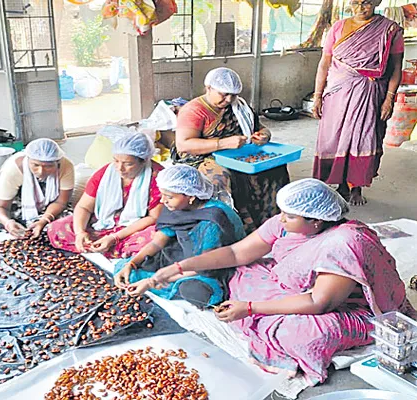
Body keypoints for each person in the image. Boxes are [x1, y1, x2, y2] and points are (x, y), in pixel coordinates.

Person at [144, 178, 414, 385]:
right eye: (283, 212)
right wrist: (179, 267)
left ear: (316, 222)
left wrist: (249, 308)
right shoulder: (287, 223)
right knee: (244, 269)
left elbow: (318, 302)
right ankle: (235, 297)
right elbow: (238, 252)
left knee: (303, 335)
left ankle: (252, 311)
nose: (281, 219)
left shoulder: (342, 244)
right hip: (298, 287)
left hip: (343, 306)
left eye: (290, 216)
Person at [171, 67, 290, 233]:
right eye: (223, 94)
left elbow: (260, 128)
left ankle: (271, 221)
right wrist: (223, 143)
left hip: (237, 152)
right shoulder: (194, 110)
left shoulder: (240, 107)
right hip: (203, 156)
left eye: (233, 95)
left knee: (274, 167)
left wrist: (264, 135)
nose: (228, 99)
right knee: (223, 176)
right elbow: (184, 145)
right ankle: (233, 228)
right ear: (209, 88)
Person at [114, 165, 246, 307]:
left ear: (190, 196)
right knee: (124, 269)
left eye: (169, 196)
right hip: (182, 255)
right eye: (163, 194)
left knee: (195, 292)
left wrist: (151, 282)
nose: (162, 201)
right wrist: (131, 263)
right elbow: (157, 243)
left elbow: (204, 264)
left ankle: (164, 283)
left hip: (210, 267)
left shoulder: (212, 221)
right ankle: (155, 279)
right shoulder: (175, 206)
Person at [312, 1, 403, 206]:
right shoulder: (337, 27)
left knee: (363, 136)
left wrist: (389, 98)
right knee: (335, 136)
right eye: (356, 2)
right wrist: (318, 95)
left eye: (368, 2)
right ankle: (340, 185)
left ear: (376, 3)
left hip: (370, 92)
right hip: (338, 91)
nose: (362, 7)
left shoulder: (389, 30)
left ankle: (356, 186)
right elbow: (325, 63)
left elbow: (397, 67)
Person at [48, 132, 164, 258]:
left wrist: (114, 237)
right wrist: (80, 232)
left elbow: (153, 218)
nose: (120, 168)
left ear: (144, 160)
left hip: (135, 227)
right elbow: (84, 207)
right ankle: (106, 249)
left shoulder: (158, 177)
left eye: (128, 163)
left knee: (154, 237)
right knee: (56, 228)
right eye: (116, 160)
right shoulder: (105, 174)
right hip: (104, 221)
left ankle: (107, 248)